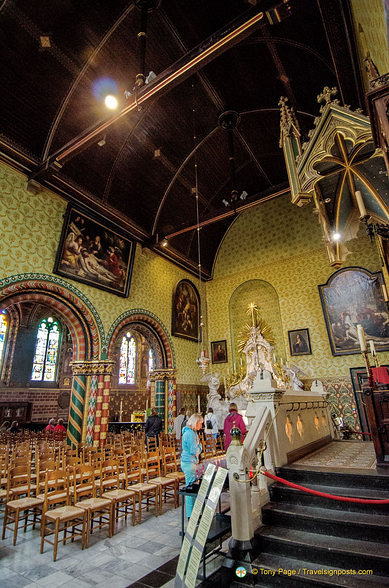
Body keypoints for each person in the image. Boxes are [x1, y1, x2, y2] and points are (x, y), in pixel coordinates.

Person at [180, 413, 203, 518]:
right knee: (190, 490)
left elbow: (197, 447)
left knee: (194, 488)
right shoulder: (189, 434)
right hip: (189, 463)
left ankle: (194, 512)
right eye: (200, 424)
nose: (201, 426)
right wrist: (199, 446)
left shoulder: (192, 432)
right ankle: (190, 515)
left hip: (192, 462)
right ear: (195, 423)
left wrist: (199, 446)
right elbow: (195, 450)